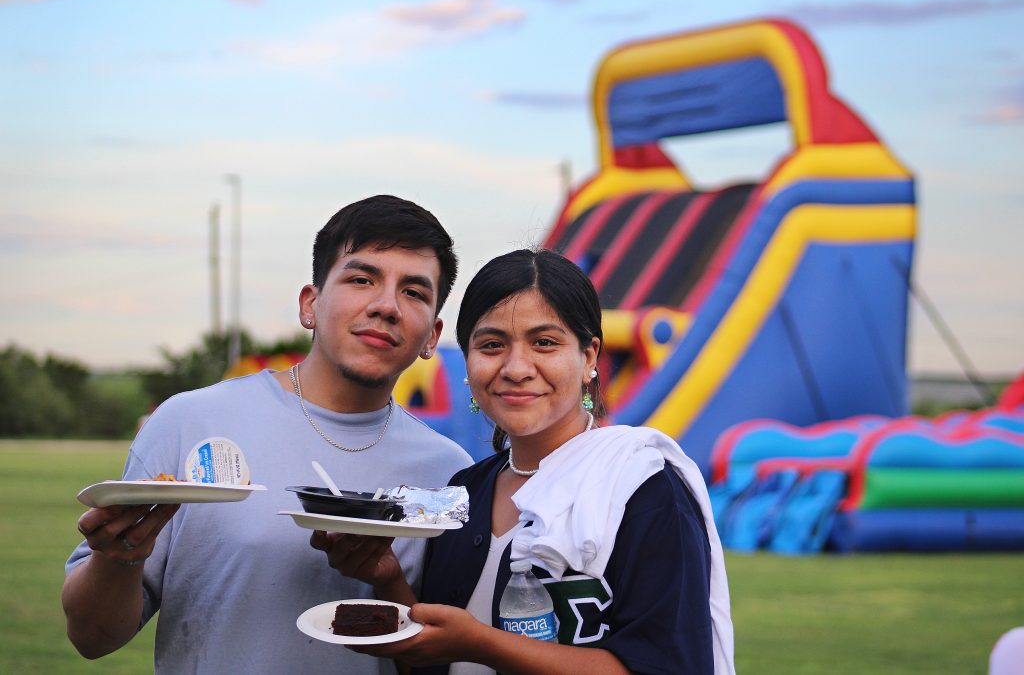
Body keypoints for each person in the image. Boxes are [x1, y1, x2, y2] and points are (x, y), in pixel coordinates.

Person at [62, 195, 474, 674]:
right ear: (310, 304)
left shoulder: (450, 472)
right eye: (361, 279)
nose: (385, 306)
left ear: (432, 336)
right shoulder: (190, 421)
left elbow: (442, 664)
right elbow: (91, 638)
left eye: (414, 293)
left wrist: (387, 581)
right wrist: (118, 557)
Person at [329, 249, 735, 674]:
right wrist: (388, 577)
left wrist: (484, 644)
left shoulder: (643, 487)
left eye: (544, 342)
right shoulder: (463, 492)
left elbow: (667, 666)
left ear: (590, 357)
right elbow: (432, 659)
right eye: (491, 345)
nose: (516, 368)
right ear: (466, 360)